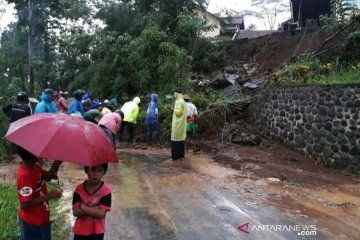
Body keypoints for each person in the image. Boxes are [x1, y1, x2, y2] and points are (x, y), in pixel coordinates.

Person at [17, 146, 62, 240]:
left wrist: (57, 162)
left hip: (41, 218)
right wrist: (49, 196)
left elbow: (48, 177)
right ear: (34, 155)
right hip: (32, 222)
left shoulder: (34, 167)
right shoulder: (25, 176)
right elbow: (24, 204)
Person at [72, 164, 111, 240]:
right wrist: (95, 209)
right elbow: (75, 212)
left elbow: (101, 213)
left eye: (100, 171)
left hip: (97, 232)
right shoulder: (79, 189)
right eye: (92, 170)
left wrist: (83, 207)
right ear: (86, 170)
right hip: (80, 230)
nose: (96, 174)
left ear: (104, 173)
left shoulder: (106, 191)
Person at [167, 88, 186, 160]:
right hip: (180, 124)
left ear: (176, 93)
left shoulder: (179, 102)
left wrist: (171, 109)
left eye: (174, 93)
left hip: (178, 124)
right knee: (180, 140)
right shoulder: (181, 101)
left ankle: (176, 157)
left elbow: (179, 112)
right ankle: (181, 156)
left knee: (175, 140)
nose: (173, 95)